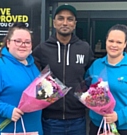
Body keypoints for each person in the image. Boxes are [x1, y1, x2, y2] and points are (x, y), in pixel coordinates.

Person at [32, 4, 95, 135]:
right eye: (60, 18)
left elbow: (91, 78)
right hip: (50, 120)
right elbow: (32, 77)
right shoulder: (42, 49)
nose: (65, 22)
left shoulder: (84, 48)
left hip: (78, 119)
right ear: (54, 22)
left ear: (75, 23)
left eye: (69, 19)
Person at [0, 23, 43, 135]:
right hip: (1, 130)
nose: (23, 45)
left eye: (27, 42)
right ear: (8, 43)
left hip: (31, 129)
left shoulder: (34, 68)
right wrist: (7, 110)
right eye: (18, 41)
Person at [87, 24, 127, 135]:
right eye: (111, 41)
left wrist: (119, 116)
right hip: (98, 126)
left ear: (125, 44)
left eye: (119, 42)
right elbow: (87, 89)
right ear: (106, 41)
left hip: (126, 128)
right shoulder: (96, 65)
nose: (114, 45)